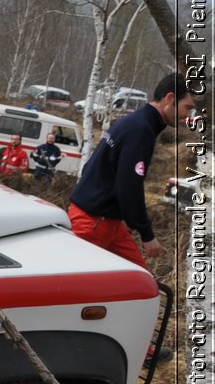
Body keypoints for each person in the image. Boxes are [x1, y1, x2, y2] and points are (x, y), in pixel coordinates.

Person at [68, 73, 196, 269]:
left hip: (108, 220)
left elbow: (90, 166)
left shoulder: (134, 121)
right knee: (74, 284)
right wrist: (147, 234)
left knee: (140, 281)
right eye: (188, 107)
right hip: (93, 221)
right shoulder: (141, 130)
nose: (188, 115)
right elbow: (128, 187)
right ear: (170, 99)